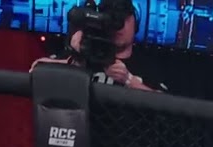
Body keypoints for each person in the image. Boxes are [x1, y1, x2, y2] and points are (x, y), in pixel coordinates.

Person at [30, 0, 167, 92]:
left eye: (123, 19)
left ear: (136, 23)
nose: (118, 26)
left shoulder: (148, 66)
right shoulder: (84, 52)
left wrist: (129, 80)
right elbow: (36, 69)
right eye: (112, 19)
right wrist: (74, 62)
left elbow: (167, 104)